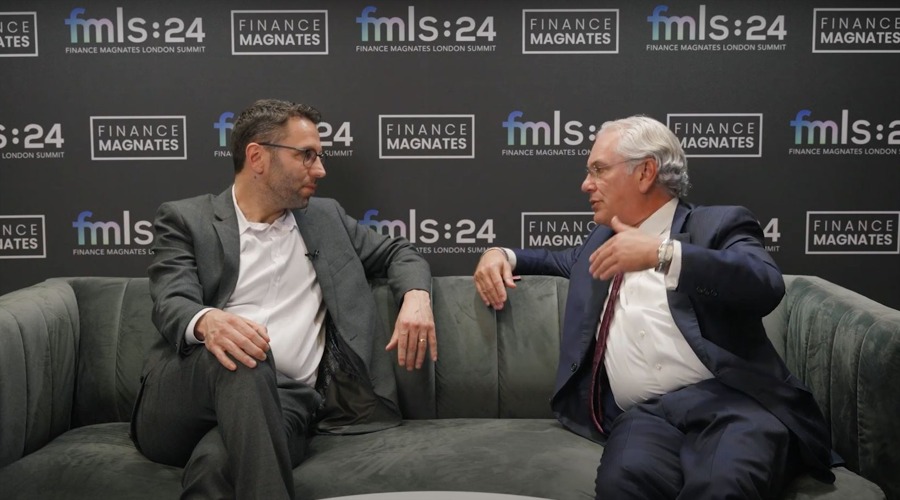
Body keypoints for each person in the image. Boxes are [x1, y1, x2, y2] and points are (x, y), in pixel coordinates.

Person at [473, 115, 836, 499]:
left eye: (598, 169)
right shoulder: (598, 243)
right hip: (646, 417)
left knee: (722, 486)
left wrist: (663, 254)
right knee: (622, 485)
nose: (586, 184)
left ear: (645, 172)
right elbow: (553, 260)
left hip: (734, 404)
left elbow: (764, 284)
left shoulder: (716, 225)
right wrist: (500, 254)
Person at [131, 99, 437, 500]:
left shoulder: (326, 220)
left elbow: (400, 252)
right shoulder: (187, 220)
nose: (320, 169)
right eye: (306, 155)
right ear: (257, 157)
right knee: (246, 351)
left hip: (285, 400)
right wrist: (209, 321)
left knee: (215, 466)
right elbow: (171, 299)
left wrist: (416, 296)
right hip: (183, 395)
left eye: (319, 156)